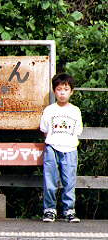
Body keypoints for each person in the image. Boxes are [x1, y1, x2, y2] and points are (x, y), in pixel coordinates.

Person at [40, 73, 83, 223]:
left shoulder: (75, 111)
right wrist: (53, 141)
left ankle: (69, 211)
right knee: (50, 180)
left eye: (66, 89)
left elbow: (78, 131)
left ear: (71, 91)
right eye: (59, 89)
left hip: (70, 148)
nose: (62, 92)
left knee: (69, 181)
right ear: (54, 91)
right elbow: (44, 129)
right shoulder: (49, 110)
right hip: (52, 147)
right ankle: (49, 210)